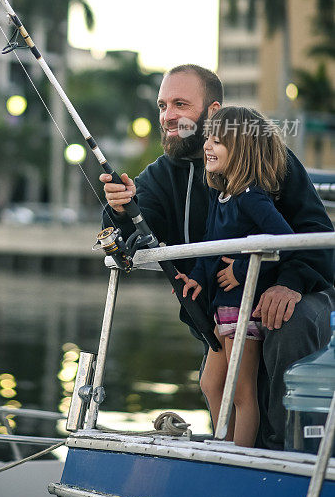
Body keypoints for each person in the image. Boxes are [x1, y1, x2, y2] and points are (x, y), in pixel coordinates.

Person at [100, 64, 335, 449]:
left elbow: (315, 233)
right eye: (162, 105)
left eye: (179, 104)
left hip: (296, 296)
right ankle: (228, 454)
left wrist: (290, 284)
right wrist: (119, 207)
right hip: (223, 313)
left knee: (288, 326)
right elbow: (130, 228)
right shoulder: (160, 176)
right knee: (214, 382)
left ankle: (285, 460)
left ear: (212, 112)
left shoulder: (268, 155)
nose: (167, 115)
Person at [175, 105, 294, 447]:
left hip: (243, 310)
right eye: (208, 139)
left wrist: (241, 270)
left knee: (241, 393)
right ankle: (222, 442)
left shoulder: (251, 197)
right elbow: (211, 244)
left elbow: (284, 240)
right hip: (222, 311)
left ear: (241, 148)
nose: (207, 147)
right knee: (211, 384)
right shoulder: (220, 196)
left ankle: (238, 457)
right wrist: (198, 275)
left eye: (218, 141)